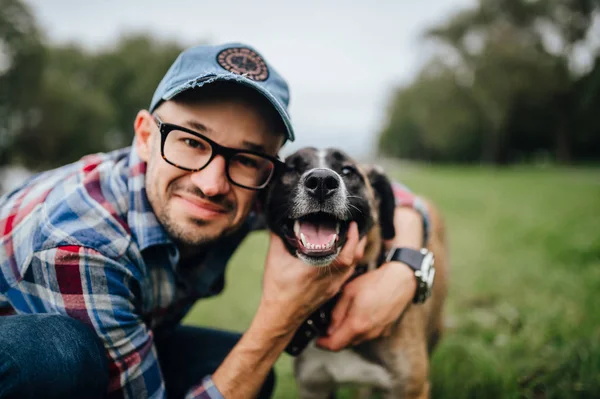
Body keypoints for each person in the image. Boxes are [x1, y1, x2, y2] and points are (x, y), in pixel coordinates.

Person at [0, 43, 430, 399]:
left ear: (266, 169)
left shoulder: (252, 187)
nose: (211, 184)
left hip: (113, 330)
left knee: (241, 372)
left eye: (244, 156)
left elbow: (395, 197)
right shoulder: (78, 246)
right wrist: (280, 318)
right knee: (58, 355)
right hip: (25, 346)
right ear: (146, 137)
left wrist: (404, 271)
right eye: (190, 141)